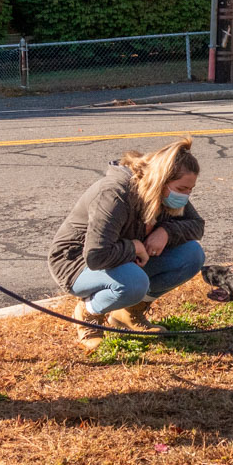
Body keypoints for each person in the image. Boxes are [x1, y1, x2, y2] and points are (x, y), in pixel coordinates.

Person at [48, 138, 206, 351]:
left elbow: (196, 225)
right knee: (133, 283)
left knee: (192, 255)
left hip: (123, 258)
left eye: (190, 190)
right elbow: (95, 255)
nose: (186, 196)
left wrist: (166, 232)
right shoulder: (114, 194)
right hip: (76, 262)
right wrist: (134, 247)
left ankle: (127, 313)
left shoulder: (162, 191)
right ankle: (88, 313)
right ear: (161, 179)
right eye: (182, 189)